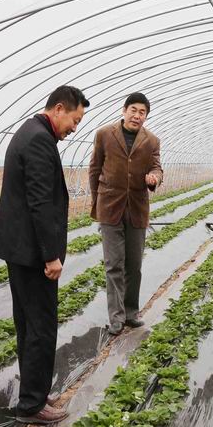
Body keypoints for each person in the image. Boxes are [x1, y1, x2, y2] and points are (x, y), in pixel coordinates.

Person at [0, 85, 90, 424]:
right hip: (32, 253)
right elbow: (40, 203)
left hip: (21, 249)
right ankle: (32, 405)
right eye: (74, 120)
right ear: (59, 109)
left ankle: (34, 391)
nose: (74, 128)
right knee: (41, 326)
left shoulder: (31, 132)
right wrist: (51, 256)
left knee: (29, 324)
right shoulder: (38, 140)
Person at [89, 92, 163, 335]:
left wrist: (154, 178)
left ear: (146, 116)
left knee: (134, 265)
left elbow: (157, 167)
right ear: (124, 110)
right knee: (114, 265)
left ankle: (131, 313)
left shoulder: (151, 141)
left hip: (137, 209)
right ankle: (116, 317)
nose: (137, 116)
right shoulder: (104, 134)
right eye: (134, 110)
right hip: (110, 208)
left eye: (142, 112)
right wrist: (97, 202)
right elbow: (94, 169)